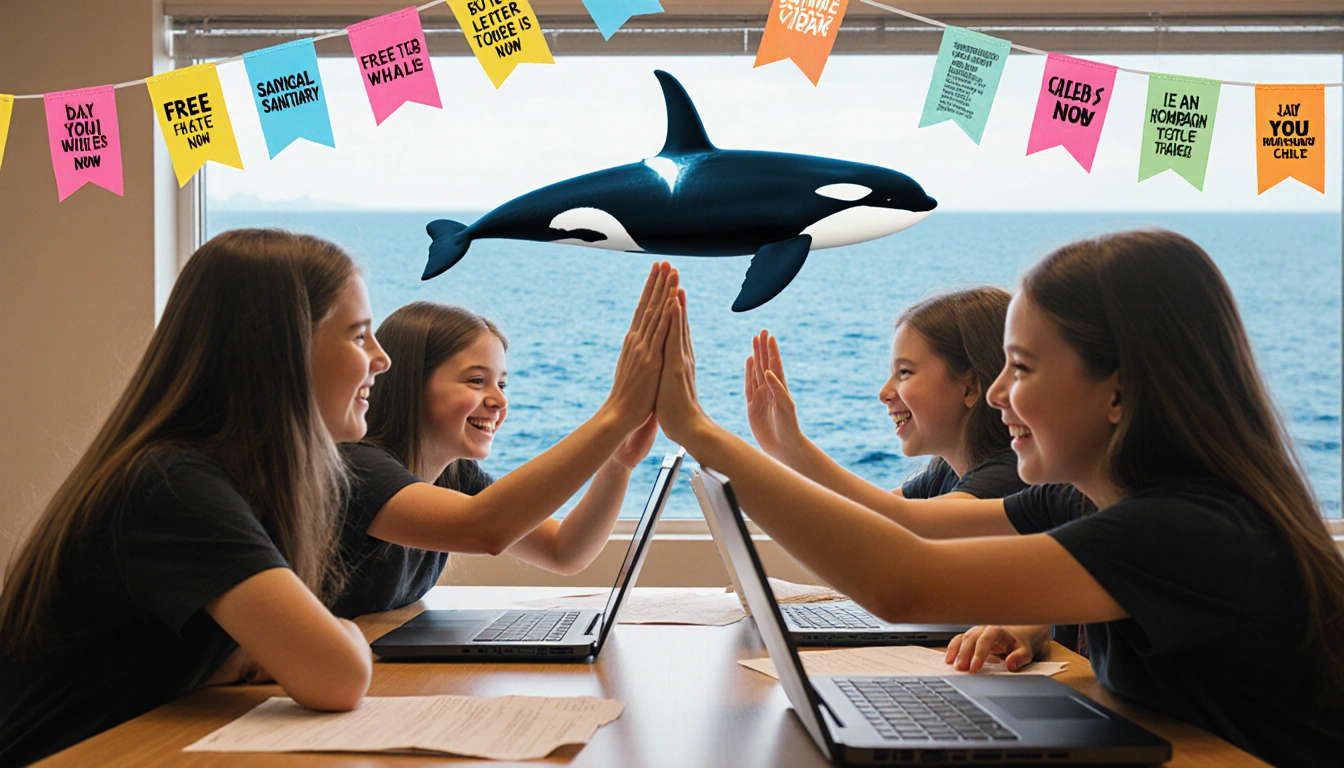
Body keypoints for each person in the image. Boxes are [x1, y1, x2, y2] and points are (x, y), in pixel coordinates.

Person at [655, 229, 1344, 767]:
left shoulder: (1190, 529)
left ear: (1119, 390)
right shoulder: (1085, 503)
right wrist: (1041, 615)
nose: (994, 395)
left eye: (1022, 367)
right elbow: (902, 524)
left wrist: (700, 432)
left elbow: (905, 581)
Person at [0, 229, 391, 765]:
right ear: (280, 351)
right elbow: (339, 676)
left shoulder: (209, 477)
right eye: (359, 335)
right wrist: (341, 634)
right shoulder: (172, 486)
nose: (381, 358)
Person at [333, 263, 677, 619]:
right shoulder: (357, 470)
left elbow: (565, 551)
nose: (499, 401)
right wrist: (616, 414)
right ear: (410, 385)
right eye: (476, 381)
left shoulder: (457, 476)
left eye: (502, 384)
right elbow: (486, 530)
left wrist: (618, 464)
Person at [745, 286, 1024, 503]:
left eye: (904, 372)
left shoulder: (1009, 479)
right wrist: (780, 451)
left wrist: (793, 447)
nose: (884, 393)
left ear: (970, 386)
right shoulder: (948, 474)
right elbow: (865, 512)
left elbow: (893, 519)